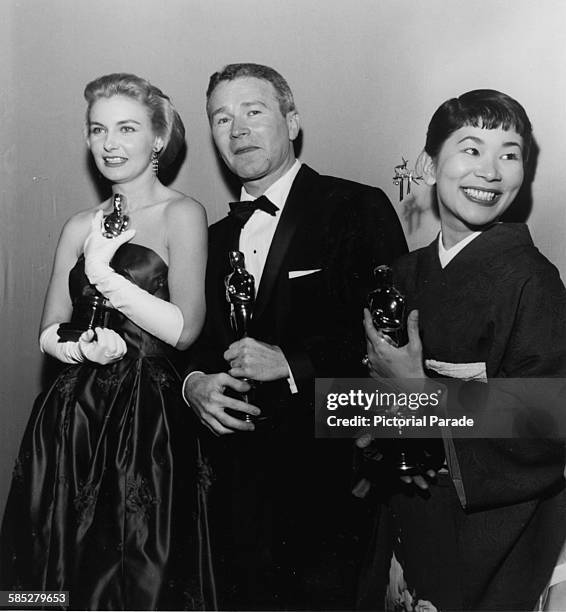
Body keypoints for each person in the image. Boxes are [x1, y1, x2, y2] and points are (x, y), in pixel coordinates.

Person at [182, 63, 408, 610]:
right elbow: (183, 345)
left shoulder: (356, 205)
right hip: (229, 492)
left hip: (330, 485)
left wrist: (291, 361)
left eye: (253, 112)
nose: (237, 129)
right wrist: (193, 384)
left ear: (293, 120)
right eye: (221, 118)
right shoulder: (205, 237)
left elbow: (396, 339)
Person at [0, 73, 215, 610]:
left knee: (137, 562)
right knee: (53, 563)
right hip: (71, 415)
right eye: (98, 130)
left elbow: (184, 328)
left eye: (126, 128)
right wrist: (79, 349)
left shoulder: (182, 214)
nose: (110, 144)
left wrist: (102, 269)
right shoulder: (78, 224)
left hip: (146, 416)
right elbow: (50, 329)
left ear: (159, 138)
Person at [360, 89, 566, 611]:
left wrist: (417, 394)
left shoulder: (533, 281)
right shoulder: (404, 272)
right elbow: (364, 403)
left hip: (493, 527)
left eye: (510, 154)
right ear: (430, 166)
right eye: (471, 149)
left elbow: (546, 419)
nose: (491, 171)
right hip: (411, 505)